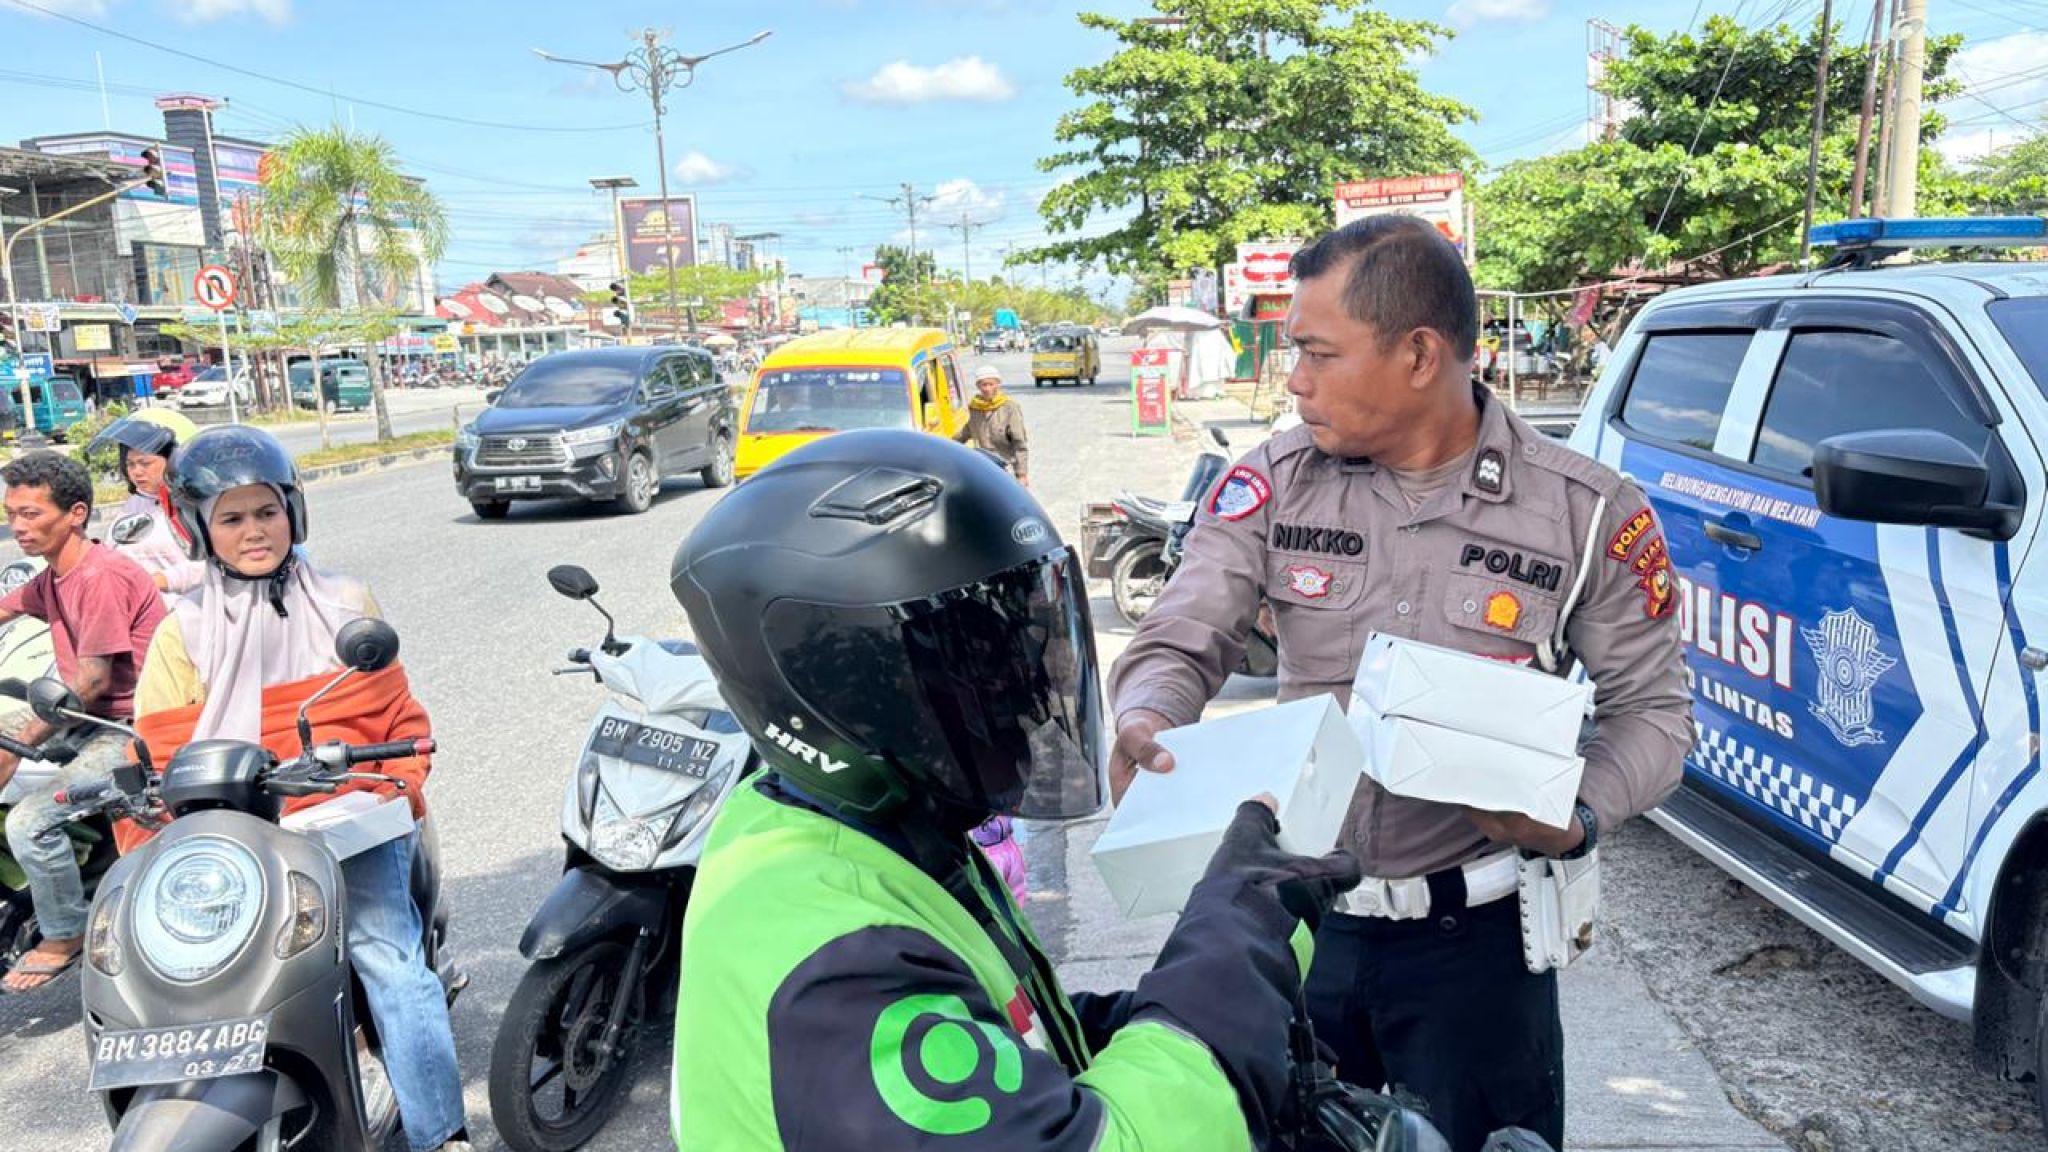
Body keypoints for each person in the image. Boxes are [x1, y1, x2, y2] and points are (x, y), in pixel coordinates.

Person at [1109, 215, 1692, 1152]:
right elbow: (1187, 627)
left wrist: (1575, 813)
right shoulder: (1276, 482)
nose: (1294, 379)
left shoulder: (1586, 515)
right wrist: (1146, 712)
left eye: (1316, 352)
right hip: (1296, 927)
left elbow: (1655, 712)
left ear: (1419, 354)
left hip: (1478, 954)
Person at [668, 430, 1362, 1151]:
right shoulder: (834, 966)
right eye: (980, 666)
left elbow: (1011, 1034)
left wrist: (1160, 1013)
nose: (1029, 695)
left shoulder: (871, 832)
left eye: (1031, 645)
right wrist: (1237, 941)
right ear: (847, 696)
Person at [126, 426, 470, 1152]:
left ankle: (444, 1135)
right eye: (231, 517)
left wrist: (381, 782)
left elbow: (390, 714)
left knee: (392, 964)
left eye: (266, 512)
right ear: (198, 529)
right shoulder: (180, 631)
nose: (254, 531)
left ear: (294, 513)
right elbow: (162, 753)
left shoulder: (346, 600)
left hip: (348, 821)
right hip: (238, 836)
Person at [0, 451, 166, 994]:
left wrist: (25, 741)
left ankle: (64, 931)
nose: (17, 526)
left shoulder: (99, 576)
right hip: (81, 716)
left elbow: (90, 686)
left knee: (29, 820)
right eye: (11, 514)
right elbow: (6, 606)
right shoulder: (55, 575)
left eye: (30, 514)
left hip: (130, 728)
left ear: (75, 513)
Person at [88, 407, 205, 610]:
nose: (136, 472)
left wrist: (160, 580)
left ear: (175, 460)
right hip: (134, 612)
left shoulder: (195, 506)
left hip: (187, 613)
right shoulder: (135, 505)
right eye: (130, 464)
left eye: (145, 463)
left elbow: (215, 566)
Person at [953, 363, 1030, 487]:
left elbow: (1019, 443)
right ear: (978, 386)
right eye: (984, 384)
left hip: (1005, 466)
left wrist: (1021, 474)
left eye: (991, 384)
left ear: (998, 384)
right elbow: (964, 433)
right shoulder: (974, 408)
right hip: (983, 466)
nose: (987, 388)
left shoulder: (1009, 407)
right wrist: (941, 444)